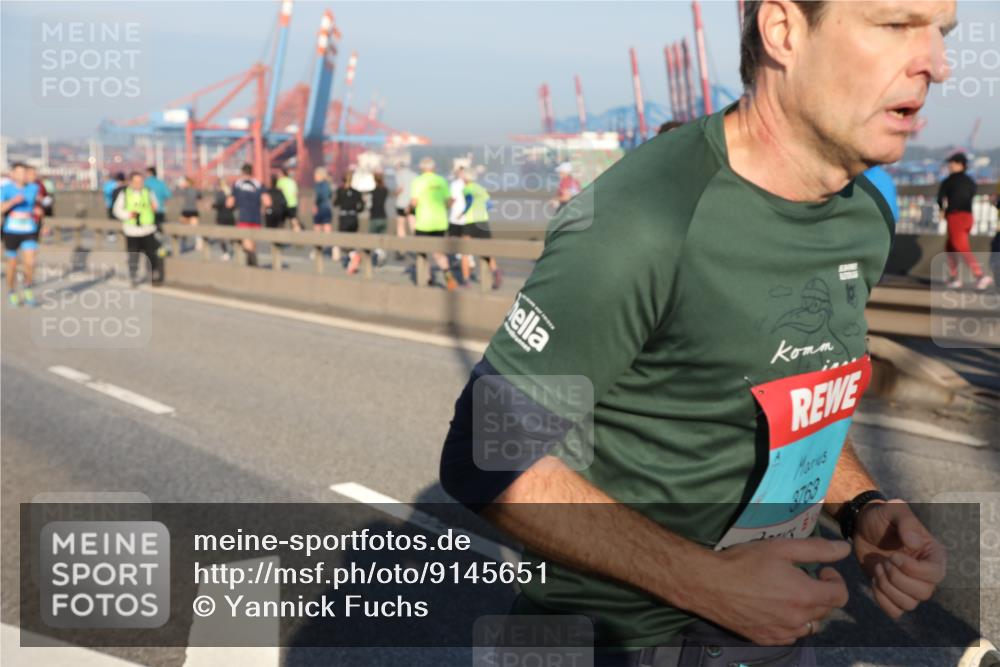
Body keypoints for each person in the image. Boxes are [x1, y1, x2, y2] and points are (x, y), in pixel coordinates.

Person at [440, 2, 952, 664]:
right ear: (784, 31)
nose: (937, 64)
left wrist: (860, 506)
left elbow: (791, 390)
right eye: (895, 25)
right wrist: (711, 585)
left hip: (777, 634)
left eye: (942, 34)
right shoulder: (644, 220)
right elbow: (483, 456)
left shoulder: (868, 210)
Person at [937, 152, 991, 289]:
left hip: (955, 217)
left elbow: (940, 198)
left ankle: (980, 275)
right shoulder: (970, 181)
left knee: (961, 247)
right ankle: (954, 277)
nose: (950, 165)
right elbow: (972, 193)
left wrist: (942, 209)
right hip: (968, 217)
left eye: (952, 163)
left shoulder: (949, 181)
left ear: (960, 164)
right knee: (950, 247)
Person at [409, 157, 457, 290]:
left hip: (423, 223)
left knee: (422, 253)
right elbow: (448, 203)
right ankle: (448, 276)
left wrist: (409, 210)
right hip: (440, 222)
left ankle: (427, 278)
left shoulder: (418, 181)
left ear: (421, 168)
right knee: (439, 253)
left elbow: (414, 202)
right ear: (434, 168)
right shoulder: (441, 180)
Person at [1, 162, 42, 307]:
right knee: (12, 264)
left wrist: (37, 210)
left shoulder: (33, 188)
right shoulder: (5, 189)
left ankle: (27, 287)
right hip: (11, 231)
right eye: (19, 172)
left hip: (29, 230)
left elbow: (36, 205)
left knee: (30, 263)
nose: (22, 175)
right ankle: (12, 291)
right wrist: (12, 201)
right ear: (12, 174)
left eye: (25, 172)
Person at [112, 171, 163, 286]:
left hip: (148, 229)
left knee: (151, 254)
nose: (139, 183)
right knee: (133, 255)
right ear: (131, 182)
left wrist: (155, 207)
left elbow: (155, 205)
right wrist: (128, 215)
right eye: (136, 181)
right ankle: (133, 276)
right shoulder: (125, 193)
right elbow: (117, 210)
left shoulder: (148, 192)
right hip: (132, 230)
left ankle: (153, 275)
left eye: (140, 181)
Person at [458, 168, 502, 289]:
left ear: (466, 178)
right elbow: (489, 205)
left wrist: (462, 213)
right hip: (483, 221)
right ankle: (496, 271)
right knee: (487, 251)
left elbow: (469, 202)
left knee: (465, 252)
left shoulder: (467, 188)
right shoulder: (481, 189)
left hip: (471, 222)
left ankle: (466, 281)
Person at [227, 163, 270, 267]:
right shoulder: (258, 183)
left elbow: (229, 203)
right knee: (252, 243)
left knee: (246, 243)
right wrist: (263, 209)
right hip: (256, 218)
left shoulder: (238, 184)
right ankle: (251, 266)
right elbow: (268, 201)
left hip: (243, 217)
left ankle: (252, 263)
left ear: (242, 172)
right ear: (252, 172)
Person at [334, 170, 365, 274]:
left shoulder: (340, 191)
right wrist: (356, 211)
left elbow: (335, 203)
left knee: (343, 241)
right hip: (353, 218)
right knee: (352, 240)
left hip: (344, 218)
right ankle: (351, 263)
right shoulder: (357, 192)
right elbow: (362, 206)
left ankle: (353, 256)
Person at [312, 166, 334, 259]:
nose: (314, 176)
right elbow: (330, 195)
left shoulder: (319, 185)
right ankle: (329, 249)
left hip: (320, 208)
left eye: (315, 175)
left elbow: (318, 196)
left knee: (317, 228)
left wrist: (315, 205)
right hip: (327, 208)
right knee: (327, 228)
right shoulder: (328, 184)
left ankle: (318, 249)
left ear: (319, 175)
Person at [393, 160, 417, 242]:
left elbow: (400, 188)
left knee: (400, 224)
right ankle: (417, 241)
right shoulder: (414, 175)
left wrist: (394, 194)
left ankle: (401, 244)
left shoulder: (399, 174)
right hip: (412, 203)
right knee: (413, 223)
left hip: (402, 203)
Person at [211, 177, 235, 260]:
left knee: (221, 235)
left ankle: (226, 252)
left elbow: (219, 204)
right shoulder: (230, 192)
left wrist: (213, 205)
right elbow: (232, 205)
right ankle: (232, 249)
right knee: (231, 235)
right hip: (229, 216)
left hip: (222, 216)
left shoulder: (221, 193)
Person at [369, 172, 390, 267]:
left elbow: (369, 204)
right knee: (382, 236)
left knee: (374, 238)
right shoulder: (385, 190)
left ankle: (378, 253)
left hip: (374, 217)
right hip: (383, 216)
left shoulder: (372, 192)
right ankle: (382, 253)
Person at [177, 175, 202, 252]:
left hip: (190, 211)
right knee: (189, 229)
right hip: (189, 211)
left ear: (187, 182)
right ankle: (196, 244)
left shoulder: (186, 190)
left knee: (191, 229)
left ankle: (194, 244)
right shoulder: (193, 190)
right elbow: (200, 197)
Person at [275, 166, 302, 231]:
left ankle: (280, 238)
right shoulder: (292, 181)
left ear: (282, 174)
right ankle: (298, 235)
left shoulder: (280, 181)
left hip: (283, 204)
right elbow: (296, 193)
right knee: (294, 220)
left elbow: (277, 192)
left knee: (281, 222)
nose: (277, 175)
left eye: (279, 174)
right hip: (293, 203)